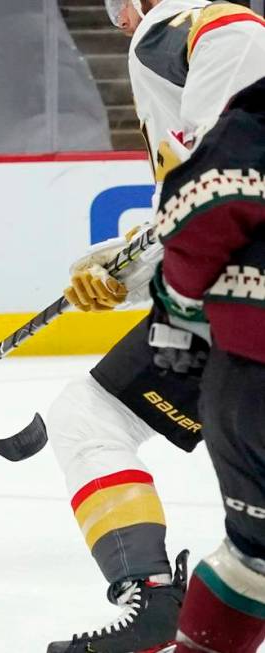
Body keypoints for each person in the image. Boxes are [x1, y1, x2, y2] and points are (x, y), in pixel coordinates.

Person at [46, 1, 265, 651]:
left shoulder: (191, 26)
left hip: (240, 304)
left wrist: (135, 267)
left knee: (90, 417)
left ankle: (153, 599)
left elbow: (224, 178)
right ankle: (154, 605)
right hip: (231, 298)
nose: (114, 13)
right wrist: (129, 265)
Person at [154, 75, 265, 653]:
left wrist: (173, 295)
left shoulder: (255, 120)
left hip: (254, 372)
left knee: (255, 555)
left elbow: (204, 217)